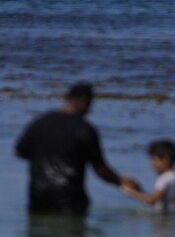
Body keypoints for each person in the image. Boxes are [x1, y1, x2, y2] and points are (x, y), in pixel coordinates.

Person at [15, 83, 138, 216]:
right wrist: (121, 181)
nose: (89, 110)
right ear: (83, 100)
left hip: (39, 192)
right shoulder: (84, 129)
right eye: (90, 104)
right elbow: (100, 169)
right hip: (69, 194)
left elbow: (19, 152)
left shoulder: (39, 123)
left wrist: (42, 156)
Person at [123, 139, 175, 213]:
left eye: (154, 160)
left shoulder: (163, 179)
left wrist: (130, 192)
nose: (152, 165)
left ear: (166, 160)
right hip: (174, 214)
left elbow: (152, 201)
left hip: (161, 218)